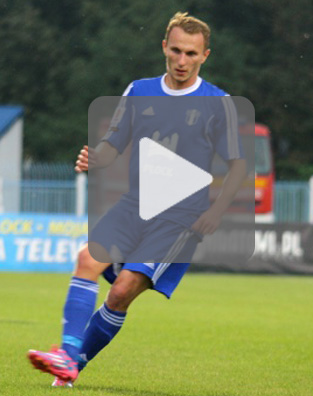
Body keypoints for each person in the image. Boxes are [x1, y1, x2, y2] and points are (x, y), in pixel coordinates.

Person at [27, 12, 247, 387]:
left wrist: (217, 209)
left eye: (191, 54)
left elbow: (238, 166)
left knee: (122, 290)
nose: (181, 61)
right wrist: (99, 156)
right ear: (164, 46)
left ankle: (73, 364)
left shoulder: (218, 102)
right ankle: (65, 355)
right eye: (175, 51)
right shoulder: (139, 89)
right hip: (136, 204)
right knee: (87, 259)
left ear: (205, 55)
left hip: (180, 218)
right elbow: (114, 143)